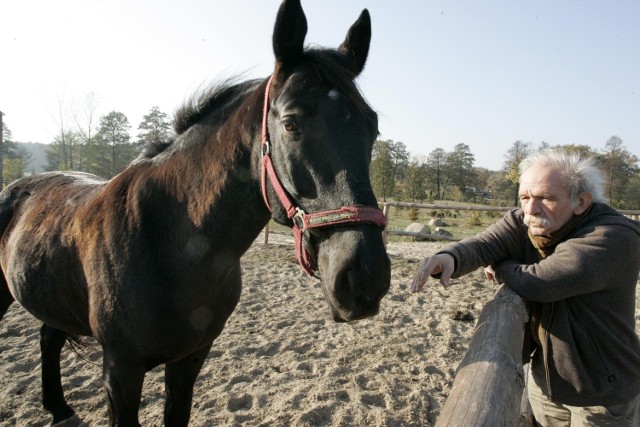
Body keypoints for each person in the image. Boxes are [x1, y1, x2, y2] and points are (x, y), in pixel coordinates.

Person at [411, 149, 640, 426]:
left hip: (601, 390)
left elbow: (543, 282)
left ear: (581, 202)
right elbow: (483, 243)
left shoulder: (613, 236)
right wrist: (450, 257)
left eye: (546, 197)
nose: (531, 209)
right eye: (525, 197)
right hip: (546, 381)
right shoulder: (526, 222)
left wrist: (499, 266)